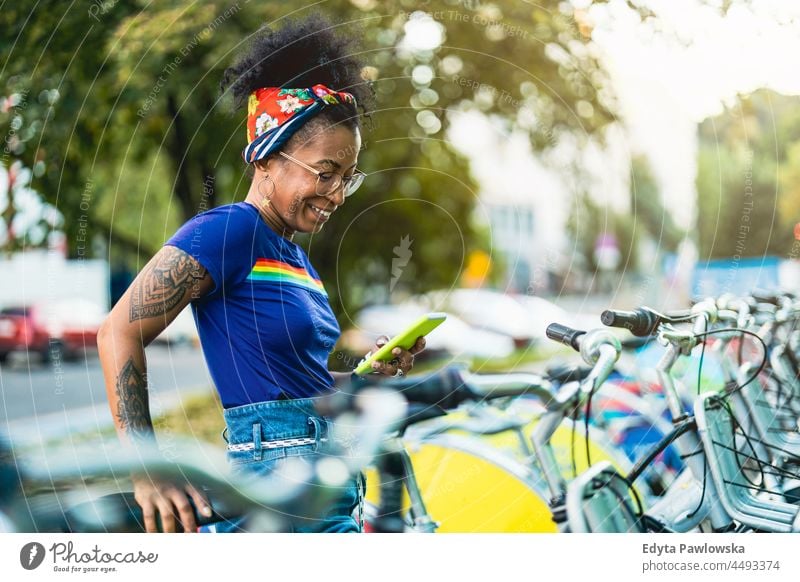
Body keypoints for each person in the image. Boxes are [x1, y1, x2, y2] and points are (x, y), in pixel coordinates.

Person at [97, 16, 425, 533]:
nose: (337, 195)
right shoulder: (232, 230)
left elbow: (292, 387)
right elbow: (119, 329)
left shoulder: (293, 259)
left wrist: (365, 375)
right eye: (325, 173)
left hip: (325, 483)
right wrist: (145, 467)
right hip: (275, 490)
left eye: (347, 178)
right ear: (266, 157)